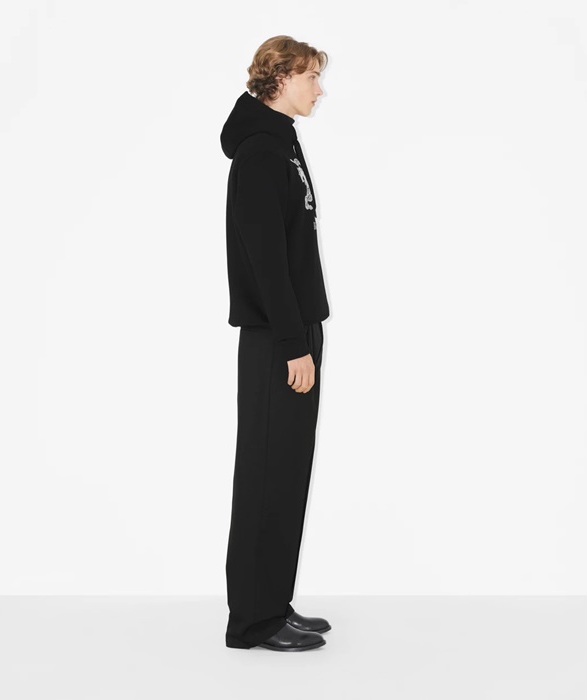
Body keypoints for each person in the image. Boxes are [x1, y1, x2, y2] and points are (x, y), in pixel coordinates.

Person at [220, 35, 331, 652]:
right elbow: (265, 260)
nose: (320, 89)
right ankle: (252, 621)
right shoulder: (260, 152)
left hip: (295, 328)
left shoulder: (282, 141)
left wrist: (304, 332)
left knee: (287, 471)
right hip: (276, 338)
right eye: (311, 76)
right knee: (266, 472)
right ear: (281, 78)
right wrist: (293, 343)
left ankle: (273, 603)